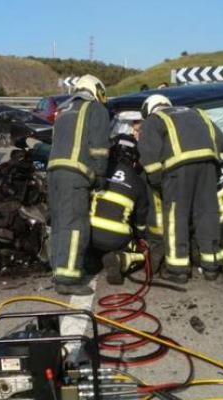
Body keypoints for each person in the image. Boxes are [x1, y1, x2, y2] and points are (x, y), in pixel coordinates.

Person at [137, 94, 223, 284]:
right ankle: (211, 265)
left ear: (148, 109)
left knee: (176, 216)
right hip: (208, 165)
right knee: (207, 213)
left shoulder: (154, 119)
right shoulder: (197, 113)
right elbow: (220, 137)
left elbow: (148, 153)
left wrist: (157, 180)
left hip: (178, 170)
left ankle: (178, 269)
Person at [48, 74, 111, 295]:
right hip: (75, 175)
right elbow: (99, 148)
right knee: (75, 225)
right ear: (96, 90)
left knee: (59, 224)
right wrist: (101, 174)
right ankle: (68, 279)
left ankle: (59, 270)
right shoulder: (95, 109)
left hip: (54, 174)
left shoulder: (64, 111)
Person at [90, 128, 149, 285]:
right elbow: (141, 218)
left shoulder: (99, 172)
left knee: (92, 257)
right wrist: (141, 238)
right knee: (144, 253)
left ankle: (90, 259)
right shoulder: (138, 182)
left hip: (89, 234)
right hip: (117, 239)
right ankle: (121, 259)